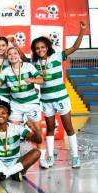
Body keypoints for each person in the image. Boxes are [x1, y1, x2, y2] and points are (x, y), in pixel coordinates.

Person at [30, 22, 87, 168]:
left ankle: (75, 156)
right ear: (34, 51)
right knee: (49, 128)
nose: (40, 50)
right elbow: (21, 60)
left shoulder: (56, 56)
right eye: (37, 48)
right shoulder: (34, 62)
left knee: (68, 127)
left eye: (43, 47)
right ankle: (50, 157)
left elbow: (74, 47)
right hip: (46, 100)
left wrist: (82, 30)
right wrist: (16, 46)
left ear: (48, 47)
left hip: (61, 98)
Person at [0, 47, 48, 168]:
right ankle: (14, 160)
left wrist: (31, 79)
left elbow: (42, 79)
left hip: (31, 103)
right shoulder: (6, 71)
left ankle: (42, 159)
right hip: (15, 105)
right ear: (7, 56)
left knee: (37, 131)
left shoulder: (28, 66)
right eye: (10, 54)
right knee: (13, 132)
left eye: (15, 53)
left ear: (18, 55)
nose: (12, 56)